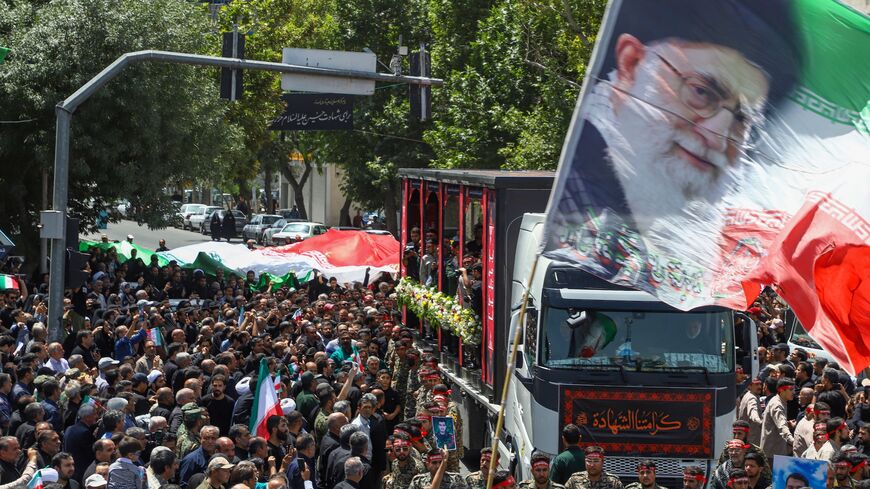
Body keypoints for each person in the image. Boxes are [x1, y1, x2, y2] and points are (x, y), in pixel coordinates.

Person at [545, 0, 801, 279]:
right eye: (701, 92)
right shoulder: (574, 205)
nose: (718, 137)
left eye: (742, 119)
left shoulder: (708, 244)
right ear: (631, 64)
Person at [761, 378, 794, 459]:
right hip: (773, 454)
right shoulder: (777, 405)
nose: (793, 392)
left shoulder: (780, 401)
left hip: (775, 451)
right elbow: (782, 426)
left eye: (794, 389)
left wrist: (788, 424)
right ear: (781, 390)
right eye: (790, 389)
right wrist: (794, 442)